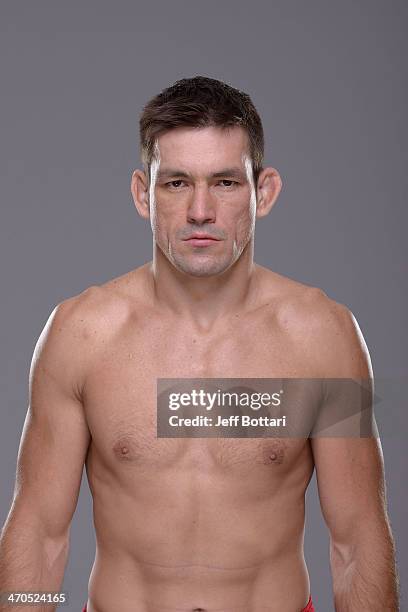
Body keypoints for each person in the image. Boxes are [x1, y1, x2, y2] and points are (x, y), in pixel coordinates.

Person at [0, 76, 399, 612]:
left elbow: (357, 541)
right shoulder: (81, 333)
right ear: (144, 193)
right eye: (177, 183)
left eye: (226, 183)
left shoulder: (325, 336)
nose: (200, 211)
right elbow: (40, 535)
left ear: (265, 191)